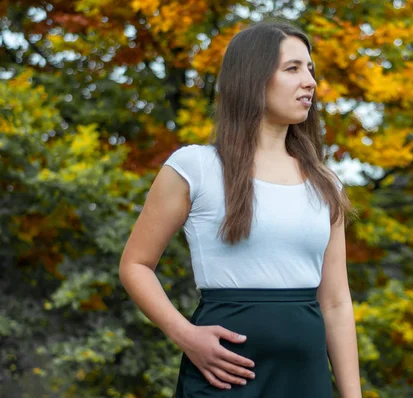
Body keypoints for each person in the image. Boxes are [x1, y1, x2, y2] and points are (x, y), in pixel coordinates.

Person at [119, 20, 361, 398]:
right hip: (224, 373)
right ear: (253, 77)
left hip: (305, 377)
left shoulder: (325, 181)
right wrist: (185, 335)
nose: (310, 81)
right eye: (293, 68)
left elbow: (335, 302)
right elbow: (135, 265)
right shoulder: (194, 166)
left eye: (310, 69)